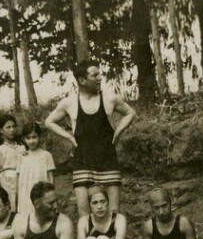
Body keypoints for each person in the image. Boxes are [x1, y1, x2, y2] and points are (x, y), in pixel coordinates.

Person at [44, 60, 137, 216]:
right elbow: (49, 122)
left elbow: (131, 113)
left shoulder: (110, 98)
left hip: (108, 159)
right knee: (84, 212)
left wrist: (118, 131)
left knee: (113, 211)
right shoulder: (69, 102)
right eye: (95, 75)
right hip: (83, 161)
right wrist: (69, 137)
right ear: (82, 80)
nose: (100, 78)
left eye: (99, 74)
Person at [15, 122, 56, 216]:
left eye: (34, 137)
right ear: (24, 139)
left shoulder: (46, 155)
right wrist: (17, 197)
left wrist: (52, 197)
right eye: (28, 138)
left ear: (39, 137)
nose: (31, 141)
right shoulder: (22, 157)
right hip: (25, 194)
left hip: (41, 193)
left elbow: (51, 178)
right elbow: (18, 179)